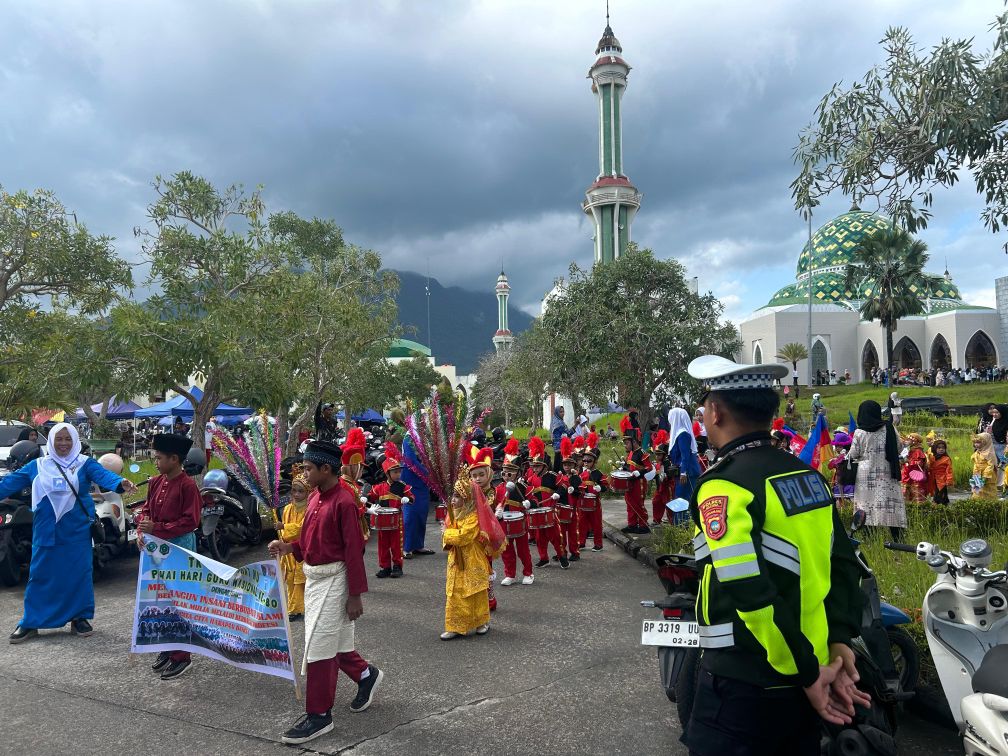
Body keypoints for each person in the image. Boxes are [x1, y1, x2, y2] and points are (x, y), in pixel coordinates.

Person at [682, 355, 864, 756]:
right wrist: (838, 645)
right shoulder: (807, 476)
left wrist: (805, 672)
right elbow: (844, 565)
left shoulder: (724, 486)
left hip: (745, 682)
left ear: (715, 412)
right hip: (807, 674)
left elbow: (749, 590)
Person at [268, 440, 384, 746]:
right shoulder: (317, 496)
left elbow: (354, 550)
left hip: (336, 580)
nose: (304, 474)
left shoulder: (345, 502)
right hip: (315, 578)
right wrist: (289, 547)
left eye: (308, 468)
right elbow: (310, 541)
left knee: (318, 645)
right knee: (334, 640)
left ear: (326, 469)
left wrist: (355, 594)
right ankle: (365, 676)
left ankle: (320, 716)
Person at [2, 423, 136, 645]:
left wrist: (120, 482)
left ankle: (79, 617)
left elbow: (103, 475)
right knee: (40, 574)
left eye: (68, 439)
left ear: (74, 441)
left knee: (79, 573)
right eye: (59, 439)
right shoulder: (38, 465)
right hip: (46, 529)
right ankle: (30, 621)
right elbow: (9, 483)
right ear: (51, 441)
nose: (63, 443)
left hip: (76, 530)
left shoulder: (85, 464)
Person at [136, 433, 203, 680]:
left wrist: (158, 529)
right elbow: (146, 509)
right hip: (156, 549)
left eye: (159, 458)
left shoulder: (188, 486)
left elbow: (191, 521)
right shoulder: (156, 481)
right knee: (159, 600)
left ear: (174, 459)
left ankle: (181, 656)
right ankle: (166, 646)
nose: (156, 462)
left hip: (179, 550)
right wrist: (143, 528)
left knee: (180, 602)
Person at [440, 468, 493, 640]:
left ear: (467, 498)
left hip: (472, 559)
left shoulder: (474, 516)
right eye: (453, 496)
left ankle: (481, 621)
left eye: (457, 497)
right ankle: (455, 625)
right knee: (454, 591)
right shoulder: (452, 514)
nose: (453, 501)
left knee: (475, 590)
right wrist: (448, 534)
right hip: (456, 560)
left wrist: (446, 533)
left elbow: (464, 536)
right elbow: (451, 536)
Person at [848, 400, 906, 540]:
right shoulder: (889, 427)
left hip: (865, 475)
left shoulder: (859, 432)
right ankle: (898, 539)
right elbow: (899, 447)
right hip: (887, 472)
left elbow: (853, 454)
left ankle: (869, 539)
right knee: (890, 505)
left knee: (866, 506)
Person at [365, 444, 412, 579]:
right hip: (382, 520)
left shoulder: (403, 487)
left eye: (399, 472)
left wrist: (406, 499)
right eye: (395, 472)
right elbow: (370, 496)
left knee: (396, 544)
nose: (398, 474)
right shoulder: (380, 487)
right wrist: (364, 498)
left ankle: (397, 566)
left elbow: (412, 498)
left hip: (396, 519)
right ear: (387, 473)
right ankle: (385, 567)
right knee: (383, 545)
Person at [525, 436, 569, 569]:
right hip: (538, 512)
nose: (535, 468)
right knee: (539, 538)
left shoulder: (553, 476)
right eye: (533, 466)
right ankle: (544, 558)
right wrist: (528, 502)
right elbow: (528, 493)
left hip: (550, 511)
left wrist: (558, 493)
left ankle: (562, 556)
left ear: (544, 465)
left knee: (555, 536)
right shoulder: (531, 479)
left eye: (538, 466)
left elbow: (565, 484)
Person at [495, 439, 534, 585]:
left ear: (518, 472)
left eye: (510, 472)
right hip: (505, 524)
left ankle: (528, 573)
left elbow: (534, 499)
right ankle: (510, 574)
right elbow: (494, 505)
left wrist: (529, 503)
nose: (507, 475)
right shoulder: (498, 488)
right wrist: (496, 512)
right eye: (505, 472)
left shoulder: (523, 486)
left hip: (520, 523)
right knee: (507, 551)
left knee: (523, 550)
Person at [279, 471, 311, 620]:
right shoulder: (287, 509)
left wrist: (283, 526)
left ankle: (297, 609)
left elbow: (301, 529)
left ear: (308, 492)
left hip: (300, 550)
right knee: (290, 581)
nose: (297, 494)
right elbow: (282, 533)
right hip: (287, 552)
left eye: (301, 491)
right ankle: (294, 609)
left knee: (301, 582)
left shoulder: (309, 510)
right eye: (294, 490)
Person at [619, 412, 652, 535]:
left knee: (638, 503)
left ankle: (643, 524)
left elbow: (649, 467)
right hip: (631, 482)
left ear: (634, 442)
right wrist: (624, 468)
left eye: (627, 443)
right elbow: (629, 466)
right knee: (629, 503)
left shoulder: (642, 452)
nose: (625, 446)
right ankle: (632, 524)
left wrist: (640, 472)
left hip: (640, 483)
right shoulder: (631, 453)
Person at [667, 407, 703, 518]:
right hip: (683, 471)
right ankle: (681, 525)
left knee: (684, 500)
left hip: (687, 472)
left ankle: (684, 526)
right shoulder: (678, 433)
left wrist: (683, 472)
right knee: (681, 498)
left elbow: (685, 455)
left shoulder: (682, 434)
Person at [579, 433, 606, 552]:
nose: (585, 462)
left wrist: (601, 487)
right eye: (584, 460)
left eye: (589, 460)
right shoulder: (580, 474)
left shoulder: (598, 474)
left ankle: (598, 544)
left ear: (594, 461)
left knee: (596, 524)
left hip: (595, 504)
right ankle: (581, 542)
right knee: (581, 523)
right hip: (583, 503)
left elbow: (606, 486)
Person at [557, 437, 582, 561]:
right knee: (560, 533)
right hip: (561, 508)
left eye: (569, 464)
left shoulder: (576, 477)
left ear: (573, 465)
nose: (567, 466)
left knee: (573, 532)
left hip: (572, 508)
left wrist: (575, 490)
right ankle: (562, 553)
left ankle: (575, 552)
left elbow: (581, 491)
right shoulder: (560, 477)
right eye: (565, 464)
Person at [649, 430, 674, 525]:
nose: (657, 456)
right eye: (656, 454)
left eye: (659, 454)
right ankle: (656, 520)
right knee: (656, 502)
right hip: (660, 488)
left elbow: (668, 475)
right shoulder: (658, 463)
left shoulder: (668, 463)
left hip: (667, 488)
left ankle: (672, 521)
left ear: (664, 455)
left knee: (668, 504)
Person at [900, 433, 929, 504]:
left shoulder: (918, 451)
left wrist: (907, 462)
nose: (907, 441)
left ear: (915, 441)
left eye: (909, 440)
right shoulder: (912, 450)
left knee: (917, 496)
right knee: (906, 496)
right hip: (908, 475)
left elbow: (918, 463)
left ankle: (918, 511)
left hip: (915, 477)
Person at [971, 433, 999, 499]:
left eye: (978, 442)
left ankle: (989, 505)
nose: (976, 444)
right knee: (977, 491)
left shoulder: (989, 453)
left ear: (985, 442)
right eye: (975, 442)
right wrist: (975, 473)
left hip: (988, 476)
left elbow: (990, 465)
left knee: (988, 490)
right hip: (977, 474)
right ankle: (977, 504)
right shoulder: (978, 452)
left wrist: (985, 476)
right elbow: (976, 463)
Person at [927, 439, 954, 505]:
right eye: (939, 448)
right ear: (935, 449)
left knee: (941, 493)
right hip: (934, 478)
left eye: (943, 448)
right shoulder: (932, 458)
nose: (941, 449)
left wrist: (949, 480)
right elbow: (929, 467)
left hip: (942, 479)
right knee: (935, 492)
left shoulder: (946, 459)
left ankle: (940, 505)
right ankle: (938, 504)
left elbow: (949, 470)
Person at [549, 406, 569, 472]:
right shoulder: (559, 423)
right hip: (560, 450)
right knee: (562, 470)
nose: (563, 413)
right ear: (557, 413)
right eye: (560, 412)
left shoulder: (556, 421)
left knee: (559, 469)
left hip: (559, 449)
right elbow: (568, 433)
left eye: (563, 411)